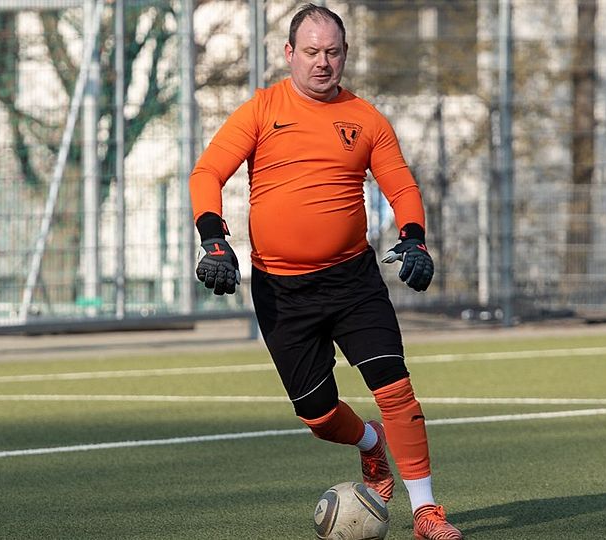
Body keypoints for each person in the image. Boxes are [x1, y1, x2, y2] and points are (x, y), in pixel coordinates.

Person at [188, 4, 462, 539]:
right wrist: (214, 239)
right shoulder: (261, 110)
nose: (322, 62)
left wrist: (414, 238)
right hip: (281, 290)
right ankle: (370, 444)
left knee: (395, 386)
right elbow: (207, 173)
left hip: (352, 280)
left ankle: (426, 511)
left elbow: (401, 186)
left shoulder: (366, 119)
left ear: (345, 55)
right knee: (317, 415)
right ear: (289, 53)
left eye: (332, 52)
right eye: (311, 51)